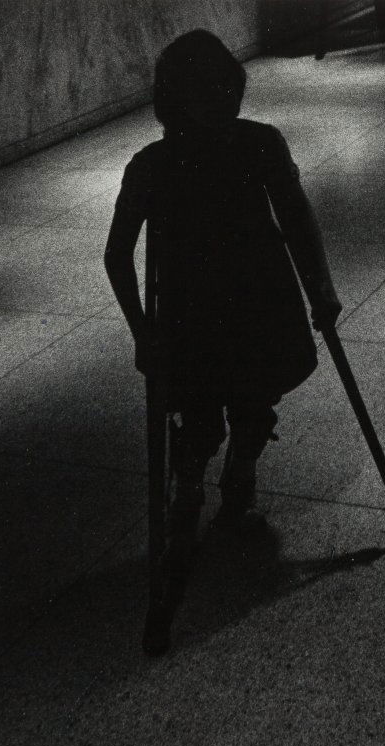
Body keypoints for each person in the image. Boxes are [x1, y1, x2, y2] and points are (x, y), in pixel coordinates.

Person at [104, 29, 342, 550]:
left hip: (257, 300)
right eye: (205, 91)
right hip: (199, 310)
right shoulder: (152, 166)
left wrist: (321, 289)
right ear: (177, 99)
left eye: (227, 88)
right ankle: (191, 482)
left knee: (253, 402)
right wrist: (142, 333)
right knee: (203, 413)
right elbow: (116, 255)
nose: (222, 101)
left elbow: (297, 220)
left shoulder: (260, 143)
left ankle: (238, 479)